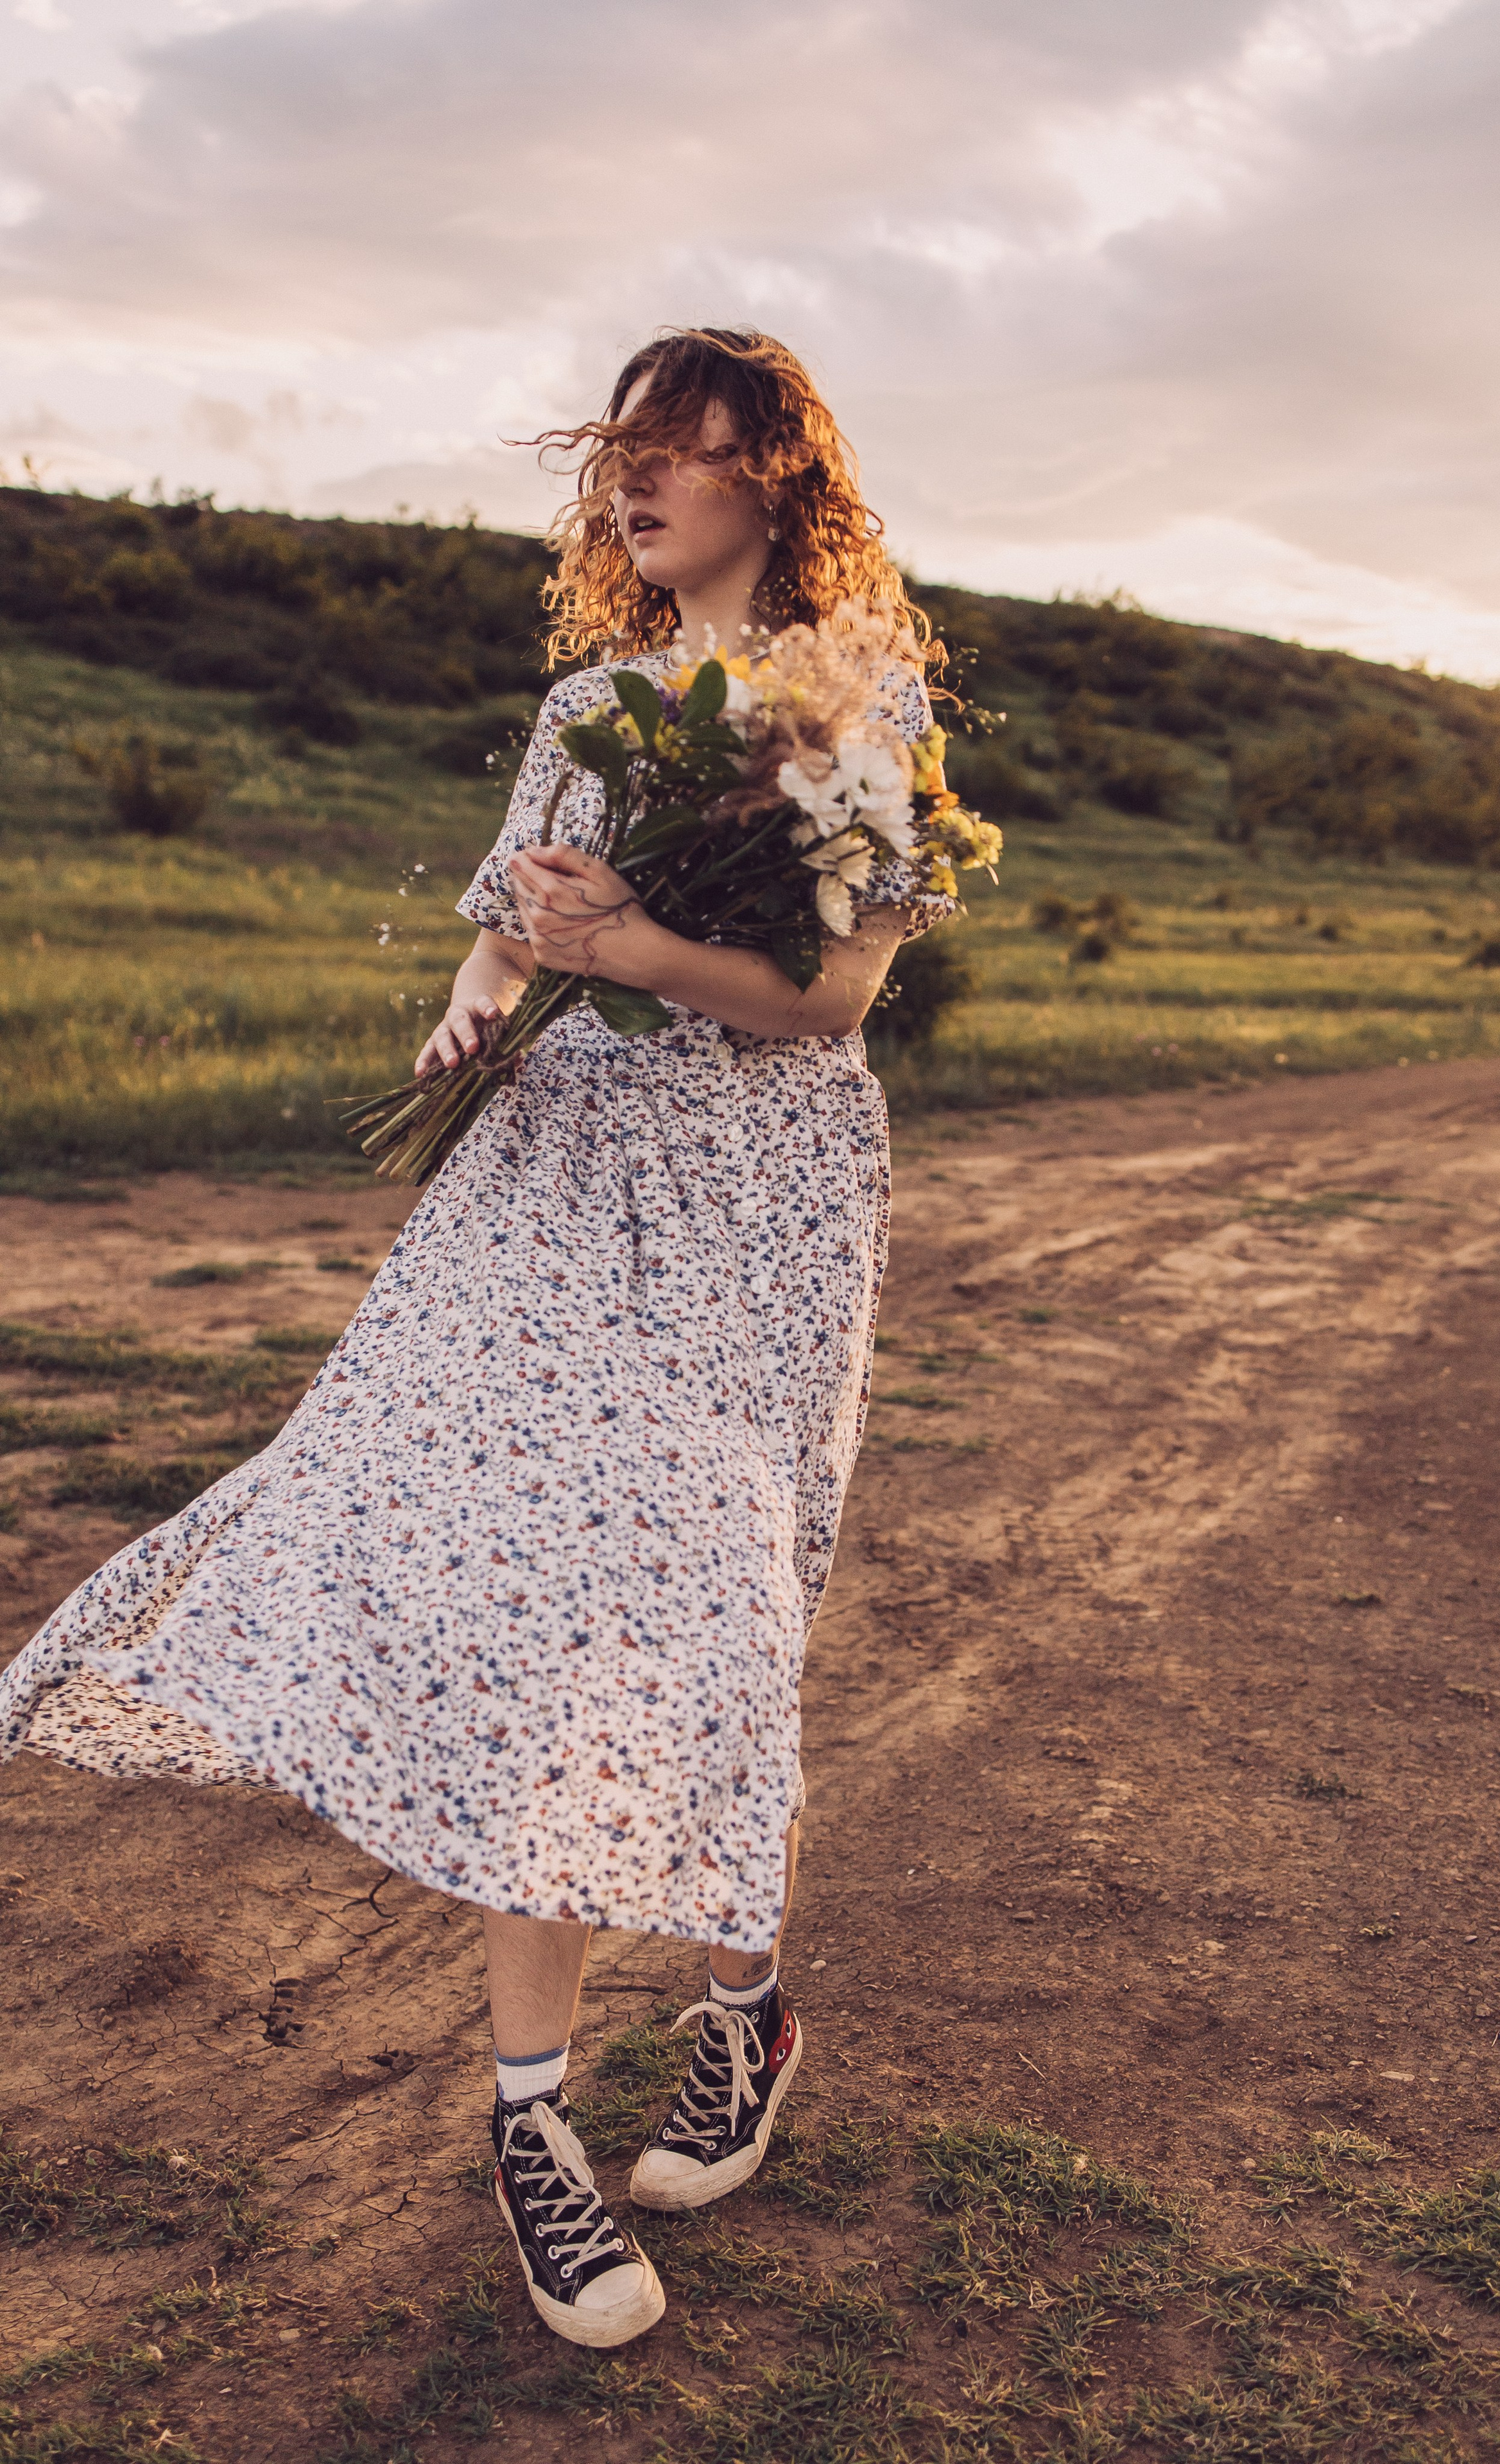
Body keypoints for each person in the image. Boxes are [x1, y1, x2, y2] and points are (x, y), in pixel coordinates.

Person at [0, 326, 952, 2350]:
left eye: (685, 453)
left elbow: (840, 995)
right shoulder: (592, 698)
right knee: (551, 1621)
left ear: (775, 478)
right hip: (555, 1173)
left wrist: (644, 948)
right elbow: (514, 921)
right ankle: (530, 2120)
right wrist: (483, 986)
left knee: (716, 1618)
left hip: (758, 1202)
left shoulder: (862, 694)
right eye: (626, 452)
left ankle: (740, 2014)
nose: (640, 484)